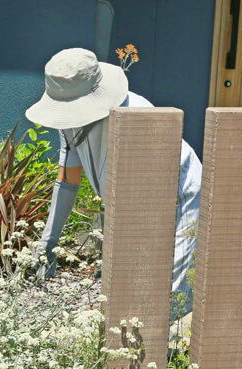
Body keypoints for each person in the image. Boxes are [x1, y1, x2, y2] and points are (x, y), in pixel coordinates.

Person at [25, 48, 201, 304]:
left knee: (170, 299)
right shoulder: (68, 122)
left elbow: (152, 196)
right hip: (134, 208)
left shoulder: (137, 114)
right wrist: (48, 244)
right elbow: (67, 181)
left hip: (179, 200)